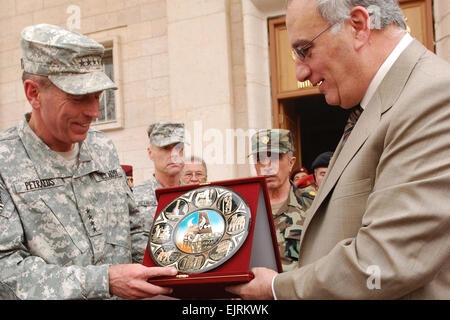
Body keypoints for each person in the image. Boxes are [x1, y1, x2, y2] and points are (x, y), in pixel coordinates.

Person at [227, 0, 450, 299]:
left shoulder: (432, 98)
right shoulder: (380, 103)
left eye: (305, 50)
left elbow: (385, 261)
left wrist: (275, 289)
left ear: (358, 26)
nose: (300, 73)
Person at [0, 24, 177, 300]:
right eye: (79, 98)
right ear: (33, 93)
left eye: (98, 96)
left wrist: (177, 272)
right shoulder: (4, 163)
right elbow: (6, 272)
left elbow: (135, 227)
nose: (94, 112)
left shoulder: (102, 147)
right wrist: (103, 281)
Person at [249, 129, 308, 272]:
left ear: (291, 163)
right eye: (261, 159)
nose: (268, 166)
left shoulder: (313, 205)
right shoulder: (243, 209)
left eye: (276, 158)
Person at [133, 122, 185, 231]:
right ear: (150, 153)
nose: (174, 154)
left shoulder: (194, 195)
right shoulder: (134, 197)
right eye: (166, 148)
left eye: (179, 148)